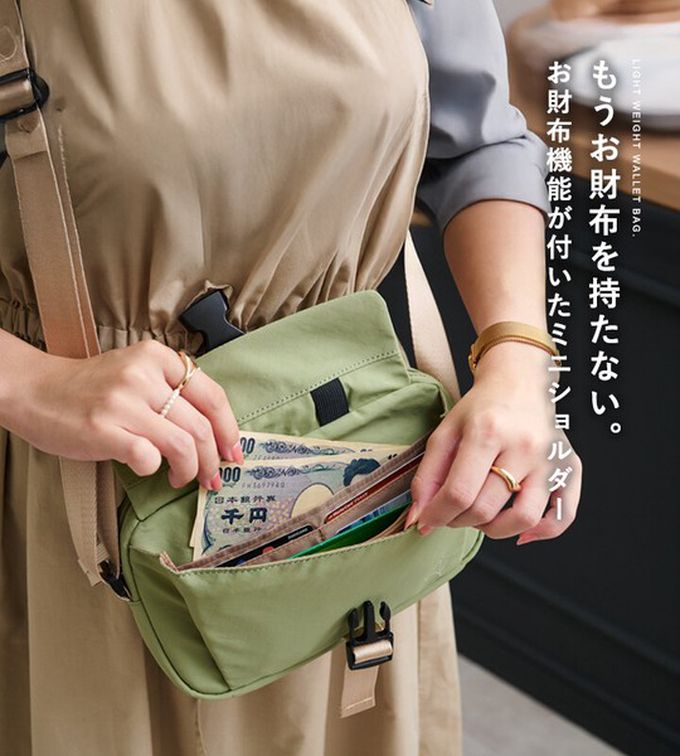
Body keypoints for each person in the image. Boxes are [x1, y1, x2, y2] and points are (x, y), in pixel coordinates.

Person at [0, 0, 583, 753]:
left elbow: (478, 144)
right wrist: (27, 383)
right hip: (87, 481)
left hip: (361, 474)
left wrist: (518, 363)